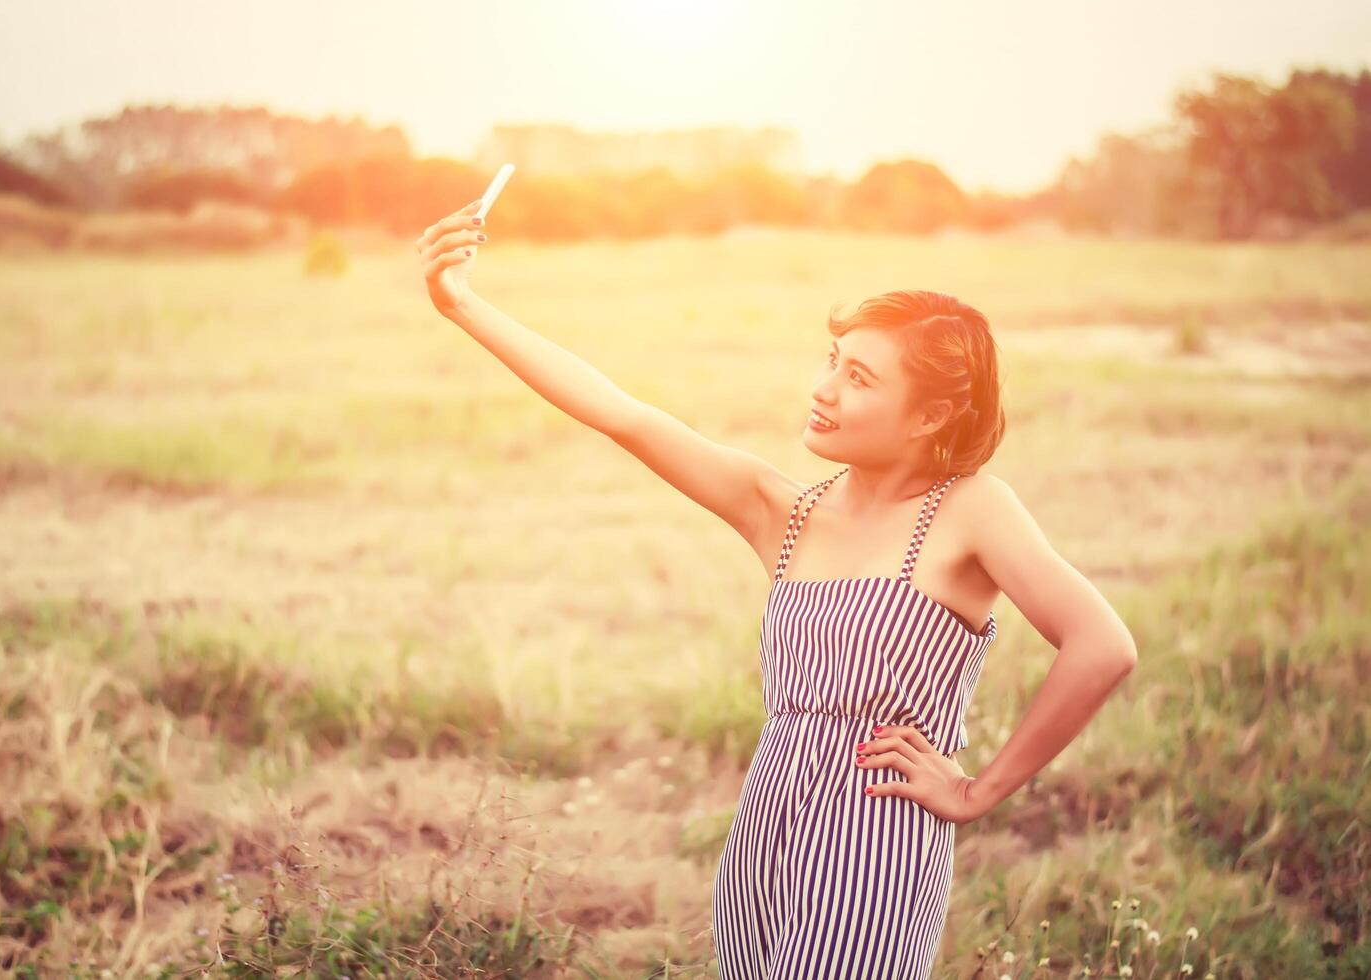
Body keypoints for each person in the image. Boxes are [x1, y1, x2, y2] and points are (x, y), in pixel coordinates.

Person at [416, 199, 1138, 979]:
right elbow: (621, 414)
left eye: (858, 377)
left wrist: (977, 791)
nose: (823, 389)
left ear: (931, 414)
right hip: (762, 826)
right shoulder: (784, 511)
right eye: (831, 359)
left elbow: (1102, 646)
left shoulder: (970, 511)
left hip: (878, 834)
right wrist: (461, 304)